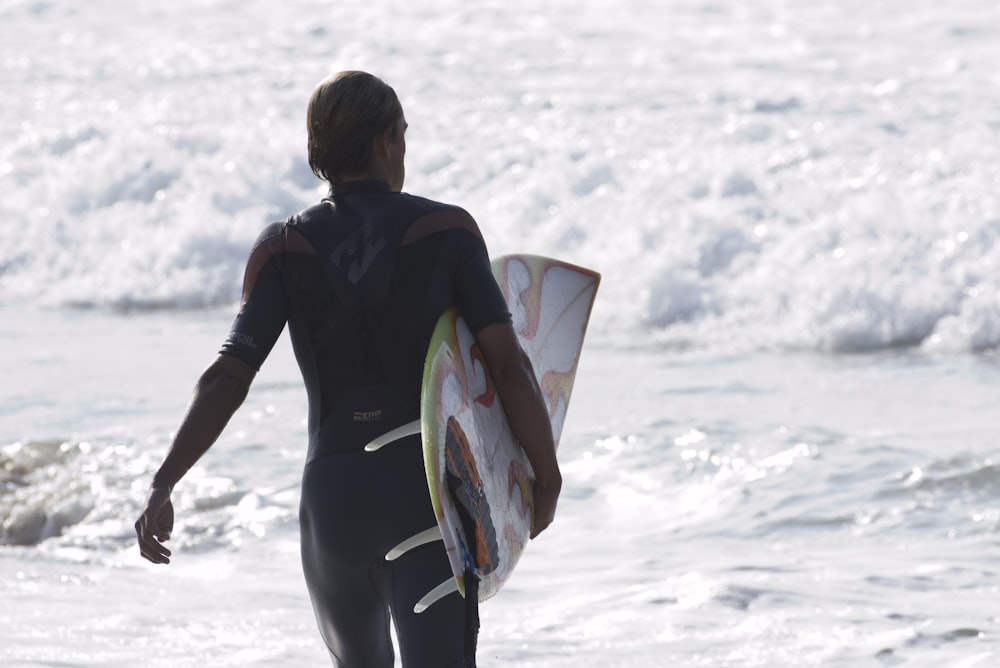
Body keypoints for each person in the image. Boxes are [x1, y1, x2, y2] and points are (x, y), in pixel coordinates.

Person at [134, 70, 561, 668]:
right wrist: (544, 474)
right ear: (387, 140)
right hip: (425, 497)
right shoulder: (447, 232)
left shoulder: (284, 247)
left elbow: (229, 375)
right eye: (403, 135)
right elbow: (509, 367)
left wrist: (165, 481)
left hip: (332, 508)